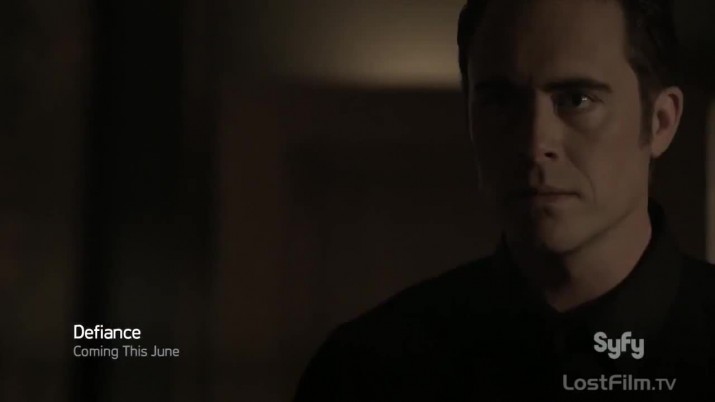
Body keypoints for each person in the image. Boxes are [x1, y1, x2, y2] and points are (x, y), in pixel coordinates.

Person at [293, 0, 715, 400]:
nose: (534, 143)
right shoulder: (367, 371)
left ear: (660, 122)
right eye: (500, 101)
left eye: (576, 100)